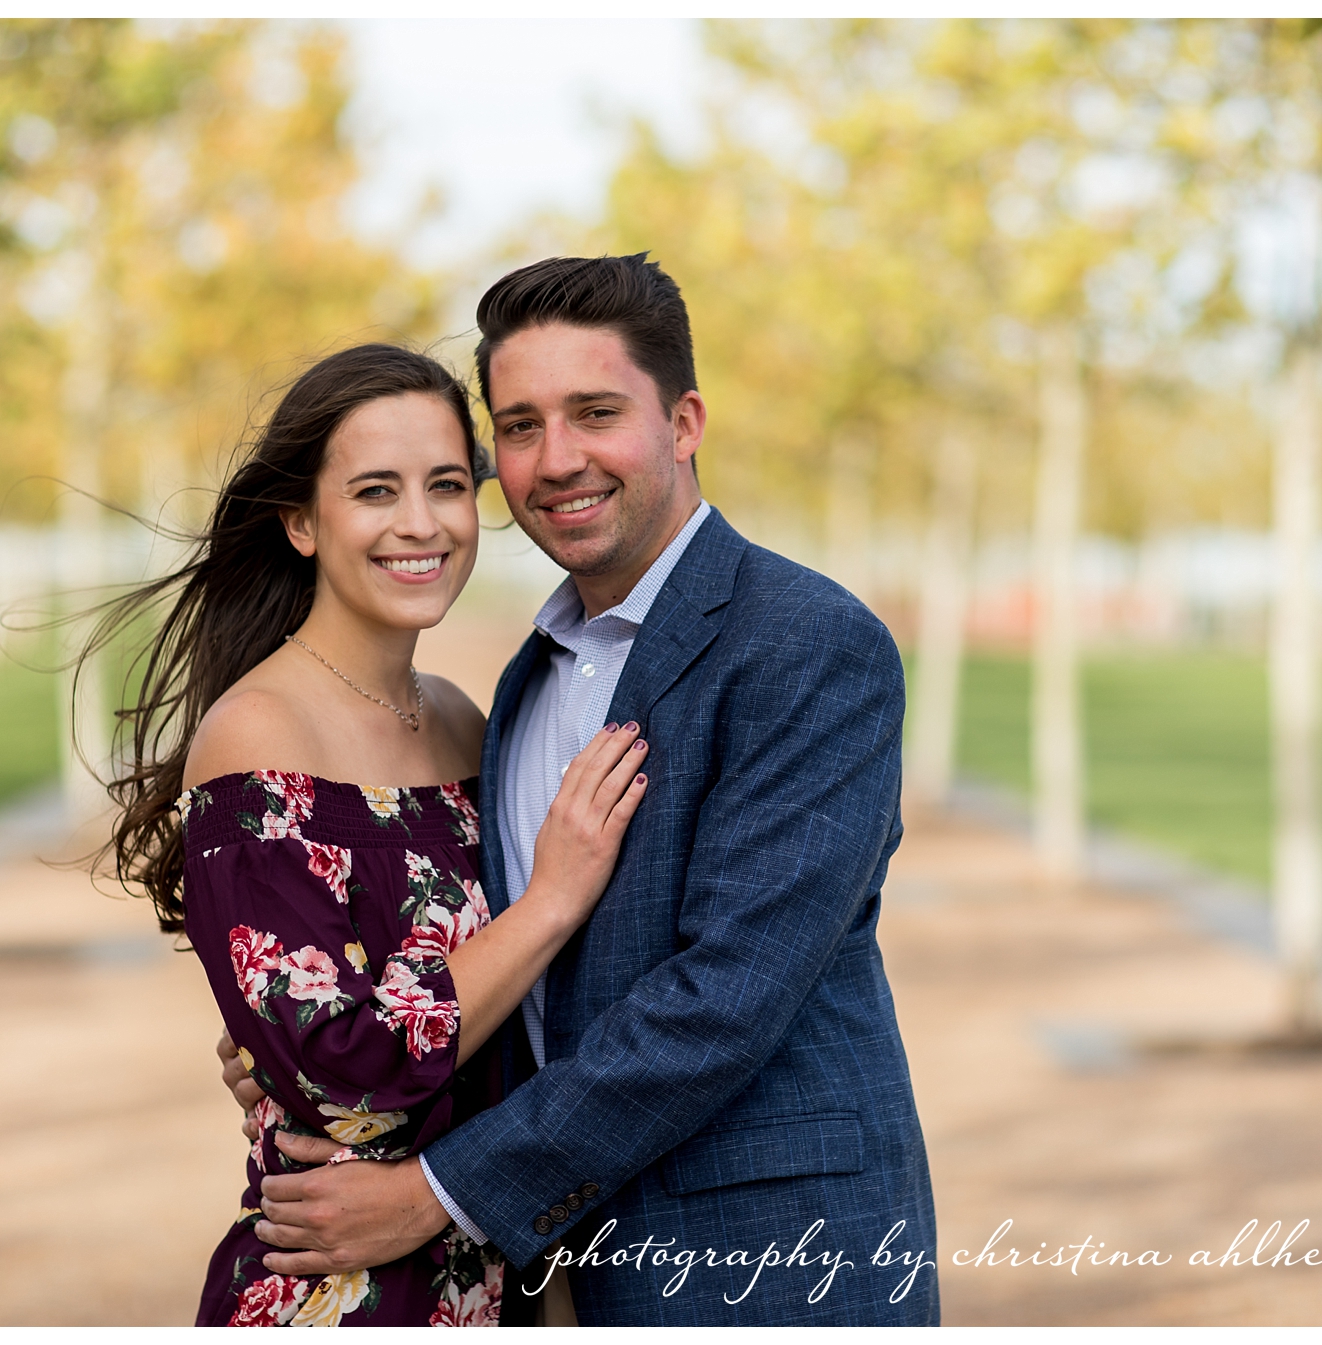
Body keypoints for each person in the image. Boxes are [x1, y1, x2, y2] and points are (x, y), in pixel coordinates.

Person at [222, 254, 940, 1326]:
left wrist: (431, 1193)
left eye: (593, 412)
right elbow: (499, 968)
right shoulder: (519, 682)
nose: (555, 460)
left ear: (683, 420)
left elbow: (722, 1003)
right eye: (517, 426)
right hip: (556, 1270)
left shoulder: (806, 644)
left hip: (761, 1261)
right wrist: (304, 1046)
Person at [93, 343, 651, 1326]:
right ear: (302, 521)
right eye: (375, 491)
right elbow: (342, 1066)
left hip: (500, 1275)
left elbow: (512, 1020)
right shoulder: (256, 732)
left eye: (445, 484)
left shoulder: (464, 721)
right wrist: (554, 899)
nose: (420, 523)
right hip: (343, 1294)